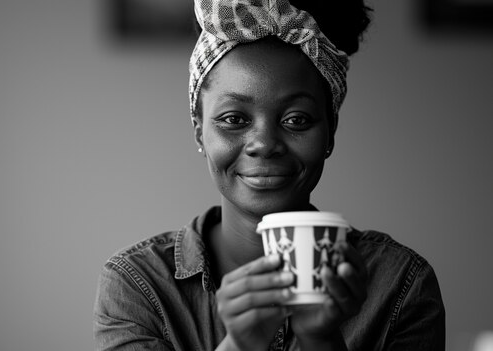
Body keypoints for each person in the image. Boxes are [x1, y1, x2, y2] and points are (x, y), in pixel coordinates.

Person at [93, 0, 445, 350]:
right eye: (234, 119)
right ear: (200, 131)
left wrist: (321, 340)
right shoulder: (138, 285)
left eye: (296, 120)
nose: (264, 144)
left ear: (330, 131)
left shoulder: (400, 283)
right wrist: (241, 345)